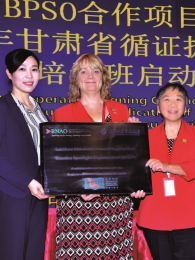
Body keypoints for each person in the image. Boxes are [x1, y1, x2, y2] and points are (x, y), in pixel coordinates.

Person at [52, 53, 145, 260]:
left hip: (115, 203)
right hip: (78, 203)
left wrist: (134, 138)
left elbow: (127, 158)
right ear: (75, 79)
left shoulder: (120, 110)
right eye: (83, 71)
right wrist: (80, 187)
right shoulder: (62, 113)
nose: (90, 76)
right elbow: (60, 163)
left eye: (96, 70)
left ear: (103, 77)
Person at [137, 83, 195, 260]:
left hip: (191, 215)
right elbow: (136, 171)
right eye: (167, 100)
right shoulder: (145, 137)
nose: (173, 104)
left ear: (185, 107)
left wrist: (166, 167)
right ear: (158, 107)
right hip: (155, 214)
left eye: (178, 100)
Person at [0, 48, 49, 260]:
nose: (29, 76)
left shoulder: (40, 110)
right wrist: (27, 181)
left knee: (33, 252)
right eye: (22, 69)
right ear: (9, 74)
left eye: (34, 69)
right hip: (13, 193)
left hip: (39, 194)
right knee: (12, 252)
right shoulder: (2, 107)